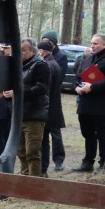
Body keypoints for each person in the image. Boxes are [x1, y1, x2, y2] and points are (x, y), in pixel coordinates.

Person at [72, 33, 105, 172]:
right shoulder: (87, 59)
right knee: (87, 133)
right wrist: (76, 87)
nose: (92, 46)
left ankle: (103, 162)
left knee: (102, 135)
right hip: (85, 103)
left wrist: (92, 87)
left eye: (96, 43)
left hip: (101, 104)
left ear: (104, 44)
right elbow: (77, 77)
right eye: (91, 43)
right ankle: (87, 162)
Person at [3, 39, 49, 177]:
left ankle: (34, 180)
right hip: (18, 114)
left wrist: (17, 93)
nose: (20, 53)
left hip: (34, 114)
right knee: (20, 149)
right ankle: (25, 175)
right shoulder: (17, 65)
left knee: (32, 151)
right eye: (19, 50)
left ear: (33, 51)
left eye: (23, 50)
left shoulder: (40, 65)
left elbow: (42, 88)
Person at [39, 32, 67, 170]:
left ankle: (58, 160)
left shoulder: (57, 59)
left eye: (47, 40)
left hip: (51, 103)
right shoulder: (49, 61)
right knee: (46, 134)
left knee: (53, 133)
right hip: (50, 103)